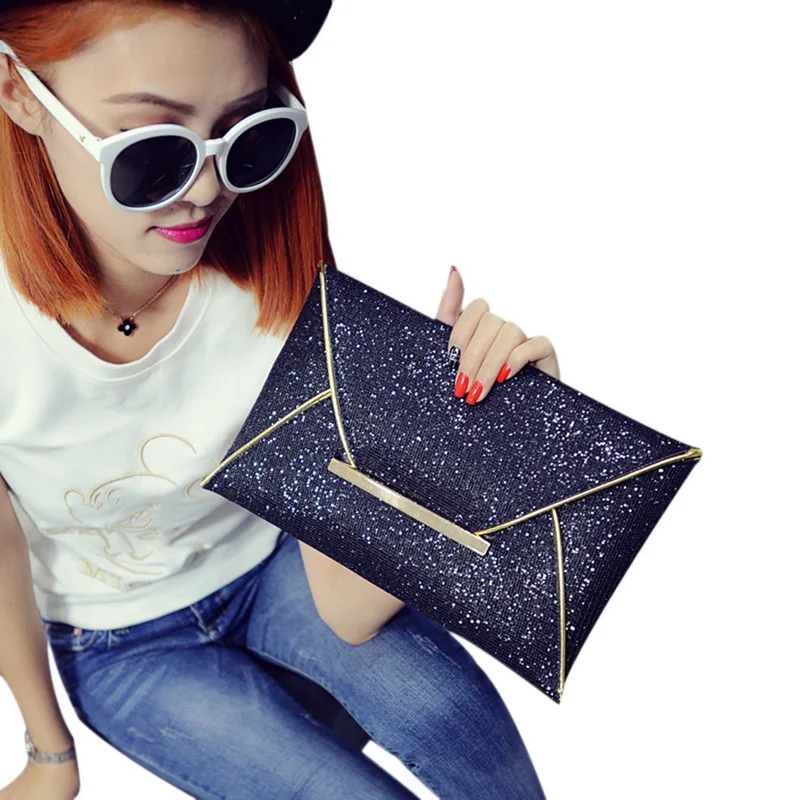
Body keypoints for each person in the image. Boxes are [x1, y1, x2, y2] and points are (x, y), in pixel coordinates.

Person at [0, 1, 559, 797]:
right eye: (151, 147)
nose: (206, 191)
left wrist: (457, 437)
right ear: (18, 93)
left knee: (450, 715)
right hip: (120, 641)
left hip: (276, 557)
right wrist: (47, 752)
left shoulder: (269, 278)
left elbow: (347, 609)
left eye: (247, 139)